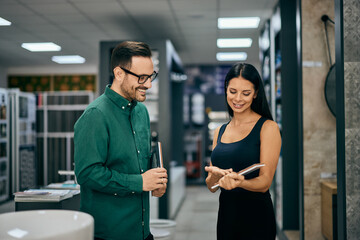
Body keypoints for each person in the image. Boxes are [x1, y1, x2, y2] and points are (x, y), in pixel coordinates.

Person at [74, 41, 167, 240]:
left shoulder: (141, 111)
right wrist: (139, 182)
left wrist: (155, 180)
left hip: (142, 231)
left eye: (151, 77)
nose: (149, 85)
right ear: (119, 74)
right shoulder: (95, 115)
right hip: (110, 233)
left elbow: (138, 160)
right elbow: (87, 174)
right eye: (142, 78)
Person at [205, 63, 281, 240]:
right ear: (225, 90)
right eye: (232, 91)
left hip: (257, 218)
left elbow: (265, 182)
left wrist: (240, 182)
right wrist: (214, 177)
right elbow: (212, 187)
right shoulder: (220, 131)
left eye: (246, 93)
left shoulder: (268, 128)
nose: (238, 99)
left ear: (255, 93)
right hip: (226, 217)